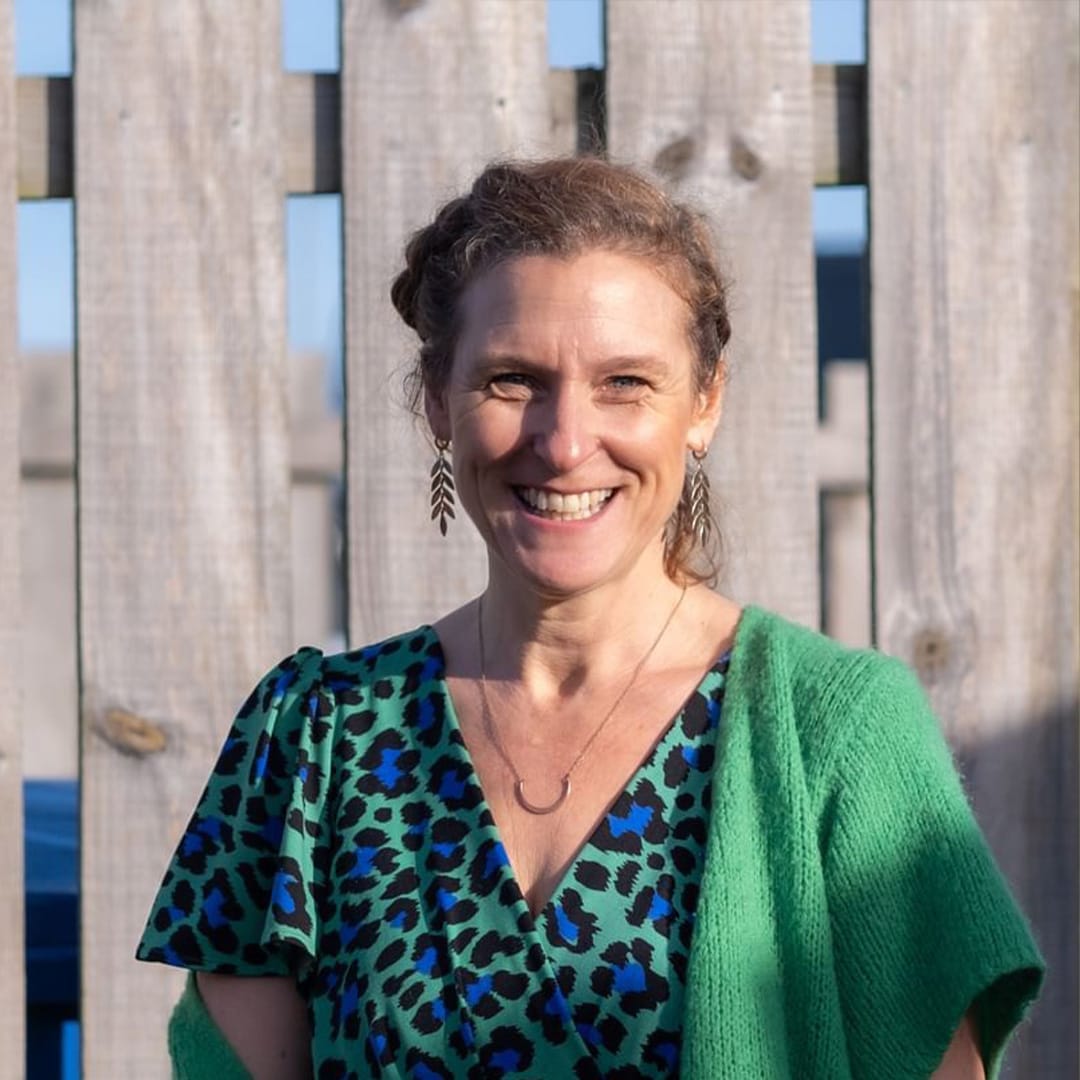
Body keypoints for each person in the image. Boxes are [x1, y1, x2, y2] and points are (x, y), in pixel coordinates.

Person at [136, 157, 1044, 1079]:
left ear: (705, 403)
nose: (566, 442)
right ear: (435, 404)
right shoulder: (312, 737)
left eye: (625, 383)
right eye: (512, 379)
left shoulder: (841, 733)